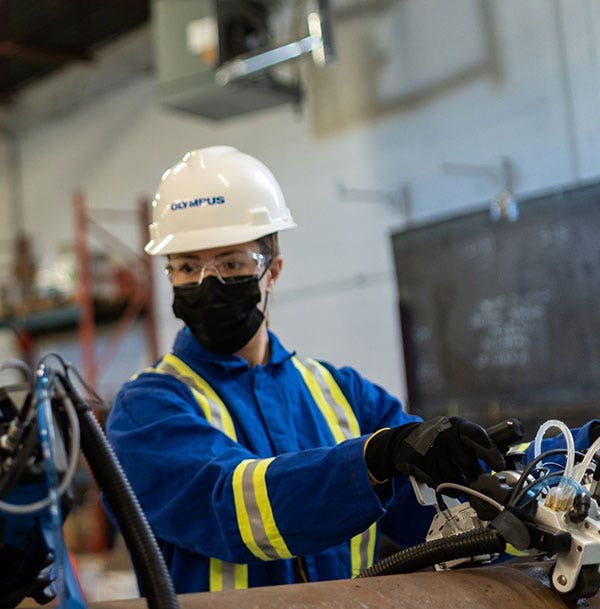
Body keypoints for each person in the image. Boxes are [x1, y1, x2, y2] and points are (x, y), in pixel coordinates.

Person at [106, 146, 597, 594]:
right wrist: (373, 459)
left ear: (272, 270)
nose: (207, 283)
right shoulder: (146, 409)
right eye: (187, 267)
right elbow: (230, 506)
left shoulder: (341, 391)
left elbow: (461, 484)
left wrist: (585, 449)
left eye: (231, 263)